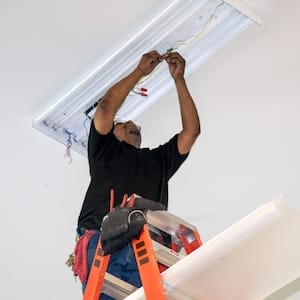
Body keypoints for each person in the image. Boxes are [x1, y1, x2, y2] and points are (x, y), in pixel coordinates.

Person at [75, 50, 200, 299]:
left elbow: (191, 132)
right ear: (112, 132)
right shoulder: (104, 151)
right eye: (122, 123)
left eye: (134, 125)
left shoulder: (159, 161)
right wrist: (140, 72)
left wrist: (180, 80)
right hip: (102, 239)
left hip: (145, 246)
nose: (131, 123)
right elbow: (106, 107)